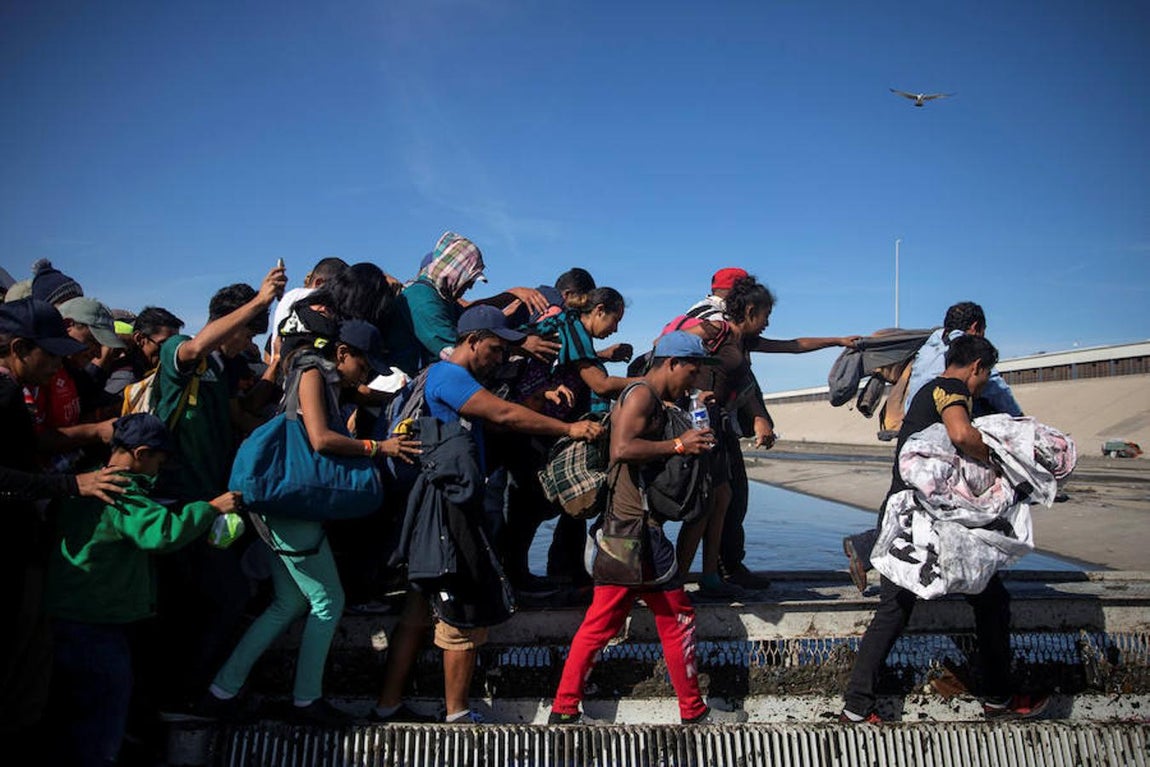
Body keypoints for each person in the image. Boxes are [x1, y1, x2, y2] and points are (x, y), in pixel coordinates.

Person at [374, 305, 604, 724]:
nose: (499, 359)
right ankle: (457, 714)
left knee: (417, 609)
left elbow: (497, 422)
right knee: (464, 604)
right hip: (448, 508)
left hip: (432, 502)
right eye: (495, 349)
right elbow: (503, 414)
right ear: (473, 341)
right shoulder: (451, 376)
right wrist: (569, 429)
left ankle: (388, 704)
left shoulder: (440, 377)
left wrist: (536, 400)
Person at [202, 320, 419, 726]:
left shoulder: (321, 374)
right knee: (328, 601)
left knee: (289, 602)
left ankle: (222, 691)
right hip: (290, 505)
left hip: (280, 503)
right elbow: (320, 439)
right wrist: (378, 447)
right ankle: (306, 701)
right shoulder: (314, 374)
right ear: (342, 353)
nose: (365, 376)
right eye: (363, 366)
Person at [839, 334, 1049, 723]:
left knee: (907, 609)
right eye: (985, 376)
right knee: (985, 602)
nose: (983, 384)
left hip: (909, 514)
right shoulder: (951, 389)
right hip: (921, 521)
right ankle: (997, 699)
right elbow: (961, 434)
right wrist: (1002, 462)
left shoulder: (930, 389)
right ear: (977, 368)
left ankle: (856, 707)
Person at [549, 331, 746, 725]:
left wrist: (693, 414)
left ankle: (565, 710)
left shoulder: (653, 398)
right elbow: (622, 449)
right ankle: (692, 712)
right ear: (672, 363)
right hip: (633, 533)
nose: (694, 379)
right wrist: (678, 445)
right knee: (675, 619)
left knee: (603, 624)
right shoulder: (640, 395)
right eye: (692, 371)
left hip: (626, 533)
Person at [45, 413, 241, 766]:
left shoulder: (84, 480)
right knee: (101, 721)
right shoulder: (120, 490)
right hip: (98, 621)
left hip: (65, 613)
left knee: (69, 719)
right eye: (158, 463)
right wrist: (212, 508)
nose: (157, 472)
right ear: (140, 454)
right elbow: (161, 534)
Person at [150, 265, 287, 708]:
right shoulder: (181, 352)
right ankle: (186, 696)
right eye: (246, 332)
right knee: (207, 600)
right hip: (178, 503)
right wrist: (261, 300)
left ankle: (192, 691)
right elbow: (194, 347)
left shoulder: (221, 367)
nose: (248, 343)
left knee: (218, 599)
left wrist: (275, 370)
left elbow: (239, 416)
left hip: (213, 504)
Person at [0, 298, 128, 743]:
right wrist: (73, 485)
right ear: (19, 348)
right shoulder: (4, 393)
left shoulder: (16, 389)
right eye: (50, 354)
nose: (58, 365)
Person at [684, 268, 858, 590]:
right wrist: (693, 393)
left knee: (725, 499)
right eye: (766, 315)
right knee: (709, 503)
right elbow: (667, 347)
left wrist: (836, 341)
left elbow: (792, 346)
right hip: (702, 424)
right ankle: (688, 577)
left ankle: (715, 573)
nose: (768, 322)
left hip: (720, 425)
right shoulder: (713, 325)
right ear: (749, 308)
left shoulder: (740, 337)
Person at [843, 301, 1021, 592]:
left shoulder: (929, 345)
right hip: (942, 440)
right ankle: (879, 559)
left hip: (913, 433)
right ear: (976, 328)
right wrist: (1018, 436)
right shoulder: (966, 355)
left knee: (904, 500)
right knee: (946, 510)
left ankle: (868, 554)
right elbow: (998, 394)